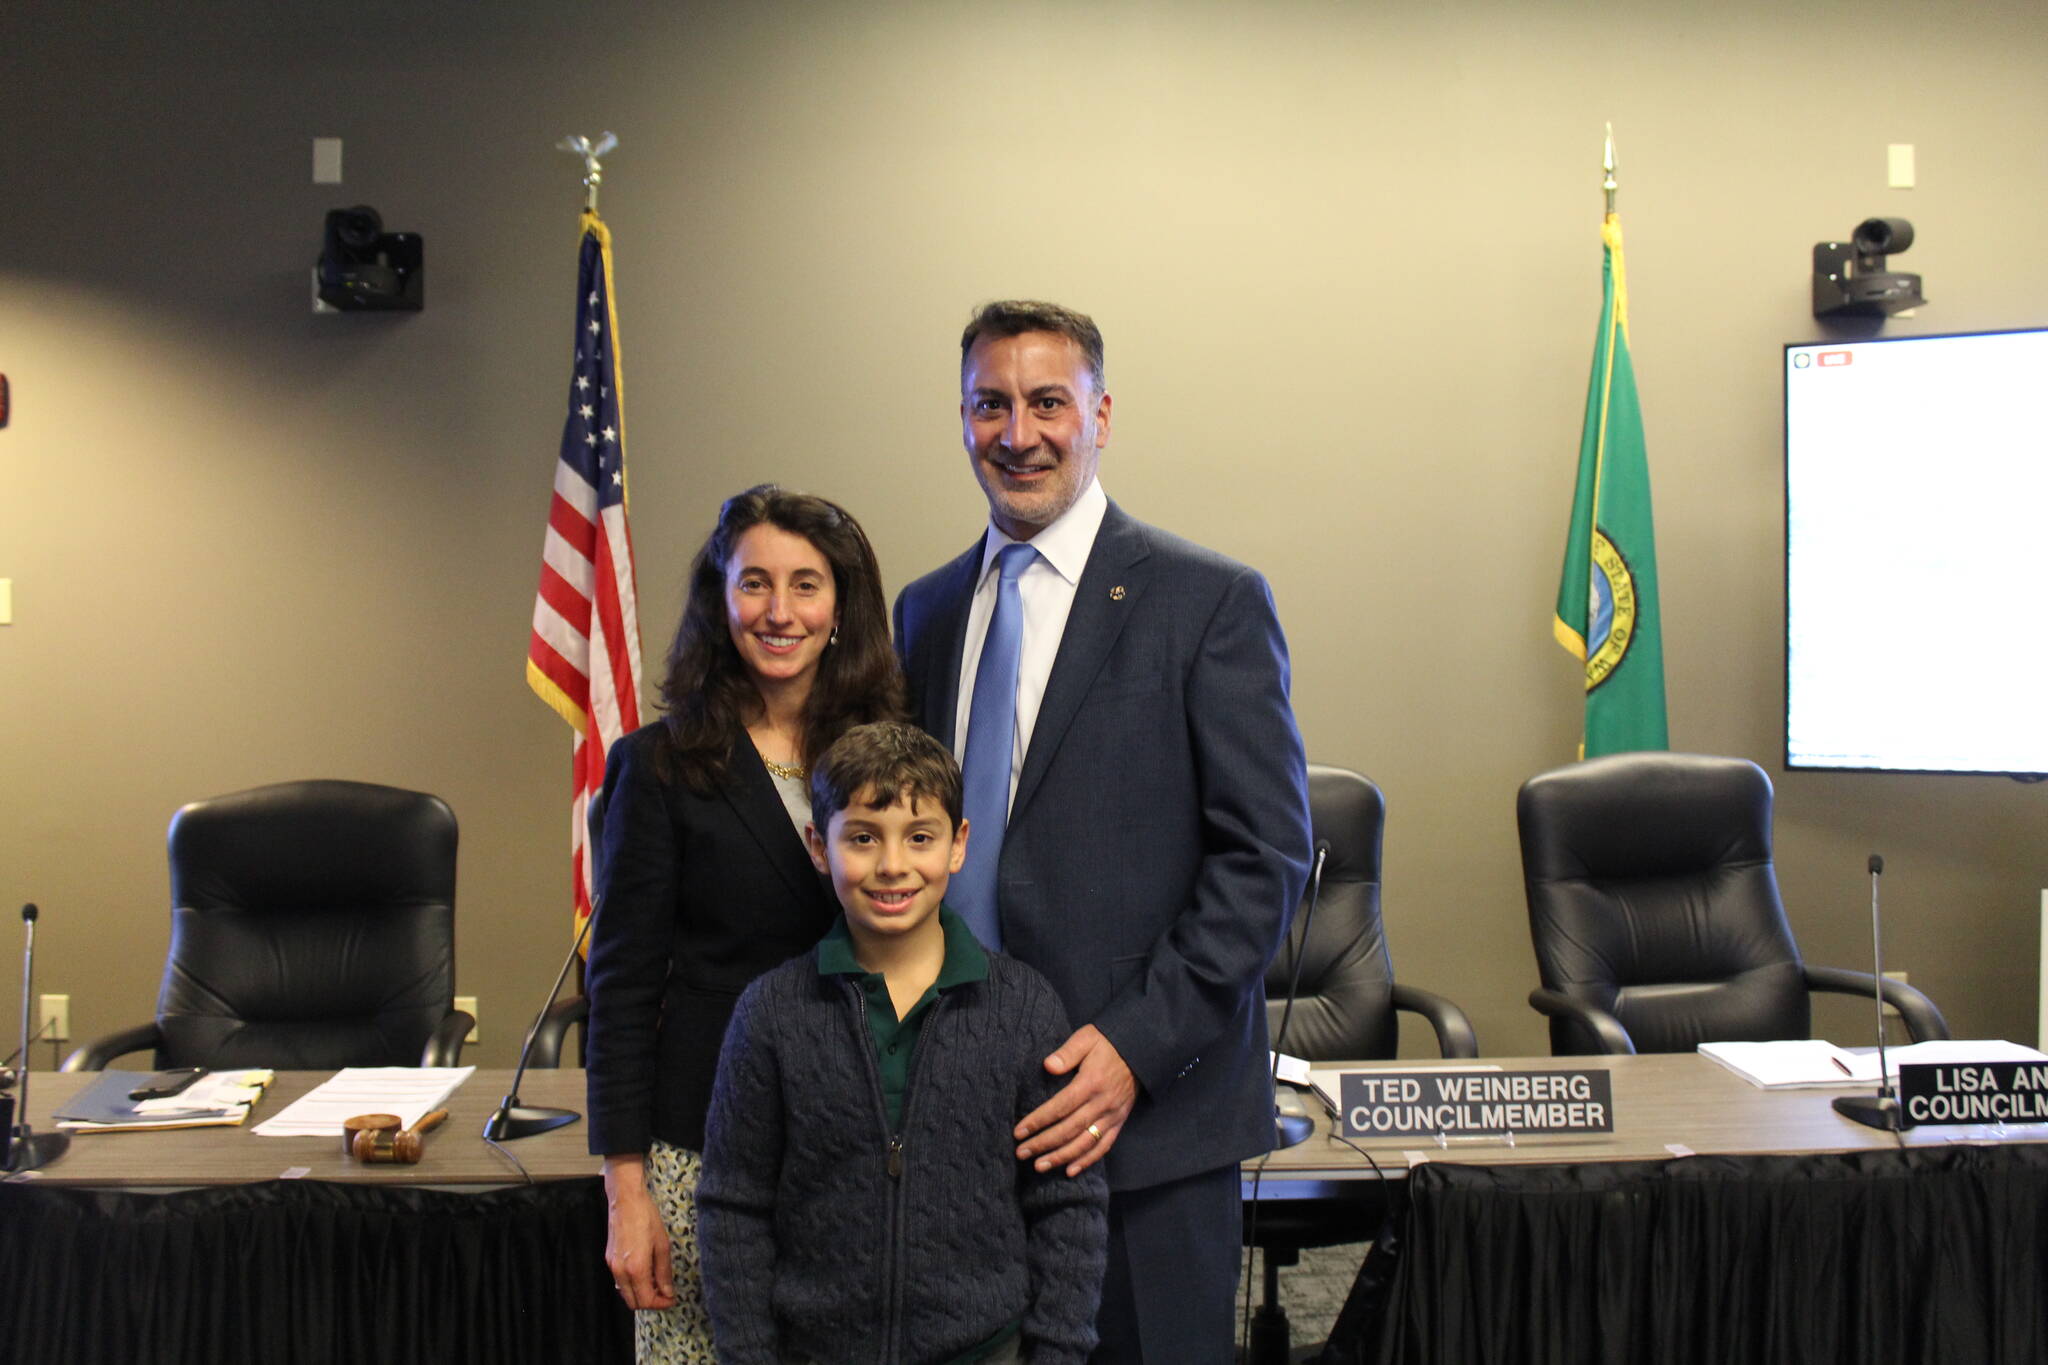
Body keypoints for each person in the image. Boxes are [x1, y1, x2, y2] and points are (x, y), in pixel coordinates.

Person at [892, 301, 1313, 1362]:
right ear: (961, 418)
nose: (1017, 433)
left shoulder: (1207, 600)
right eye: (990, 405)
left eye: (1048, 403)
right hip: (958, 1129)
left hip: (1145, 1128)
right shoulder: (924, 613)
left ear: (1102, 415)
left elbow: (1263, 859)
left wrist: (1132, 1048)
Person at [585, 484, 905, 1362]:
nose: (778, 611)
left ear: (840, 607)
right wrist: (625, 1191)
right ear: (720, 599)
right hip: (703, 1144)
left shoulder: (894, 757)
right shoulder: (658, 765)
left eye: (806, 585)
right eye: (754, 582)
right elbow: (621, 989)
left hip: (861, 1148)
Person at [697, 720, 1108, 1365]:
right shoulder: (771, 1015)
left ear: (958, 845)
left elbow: (1067, 1203)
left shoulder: (1025, 1008)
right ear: (819, 846)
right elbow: (734, 1207)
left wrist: (1057, 1352)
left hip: (986, 1352)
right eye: (863, 838)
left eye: (920, 837)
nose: (893, 866)